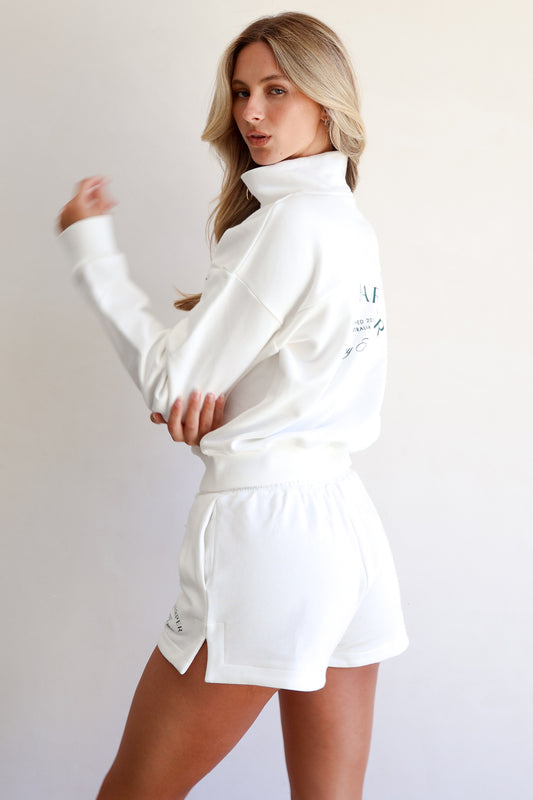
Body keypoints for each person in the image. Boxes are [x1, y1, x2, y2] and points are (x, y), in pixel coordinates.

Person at [56, 11, 408, 800]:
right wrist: (217, 406)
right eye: (242, 91)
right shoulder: (346, 225)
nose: (251, 112)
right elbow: (286, 377)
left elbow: (171, 383)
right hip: (345, 531)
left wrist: (90, 251)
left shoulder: (288, 227)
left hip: (267, 535)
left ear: (325, 100)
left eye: (276, 90)